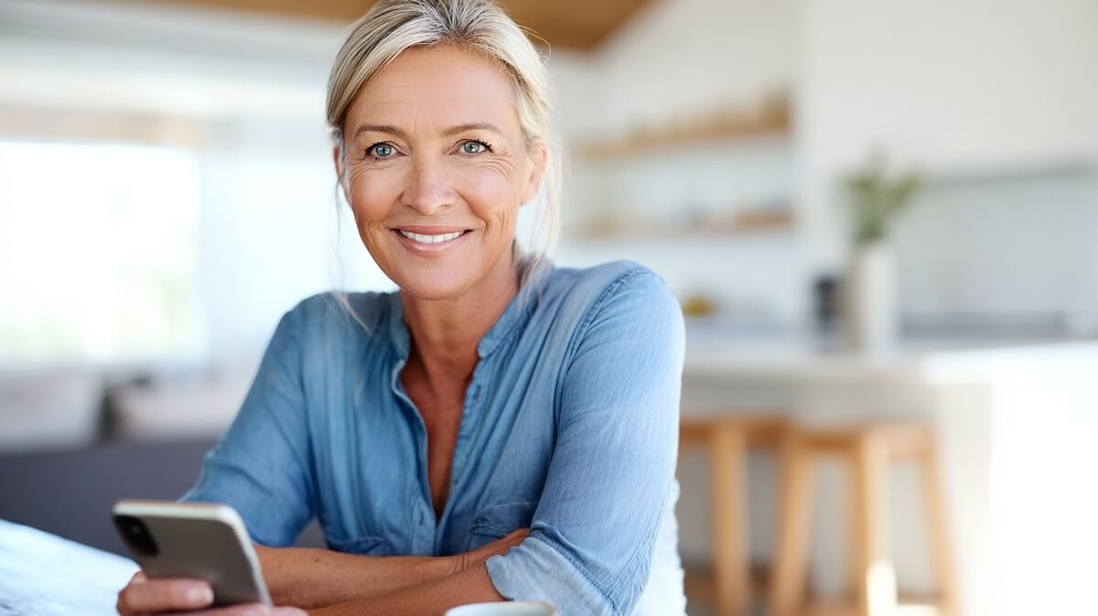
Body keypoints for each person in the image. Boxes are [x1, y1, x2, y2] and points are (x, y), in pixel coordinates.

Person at [116, 0, 685, 614]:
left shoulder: (619, 311)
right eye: (384, 150)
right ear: (343, 168)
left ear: (530, 171)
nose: (427, 195)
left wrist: (290, 589)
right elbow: (191, 565)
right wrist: (478, 569)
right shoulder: (316, 340)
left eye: (471, 145)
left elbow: (571, 592)